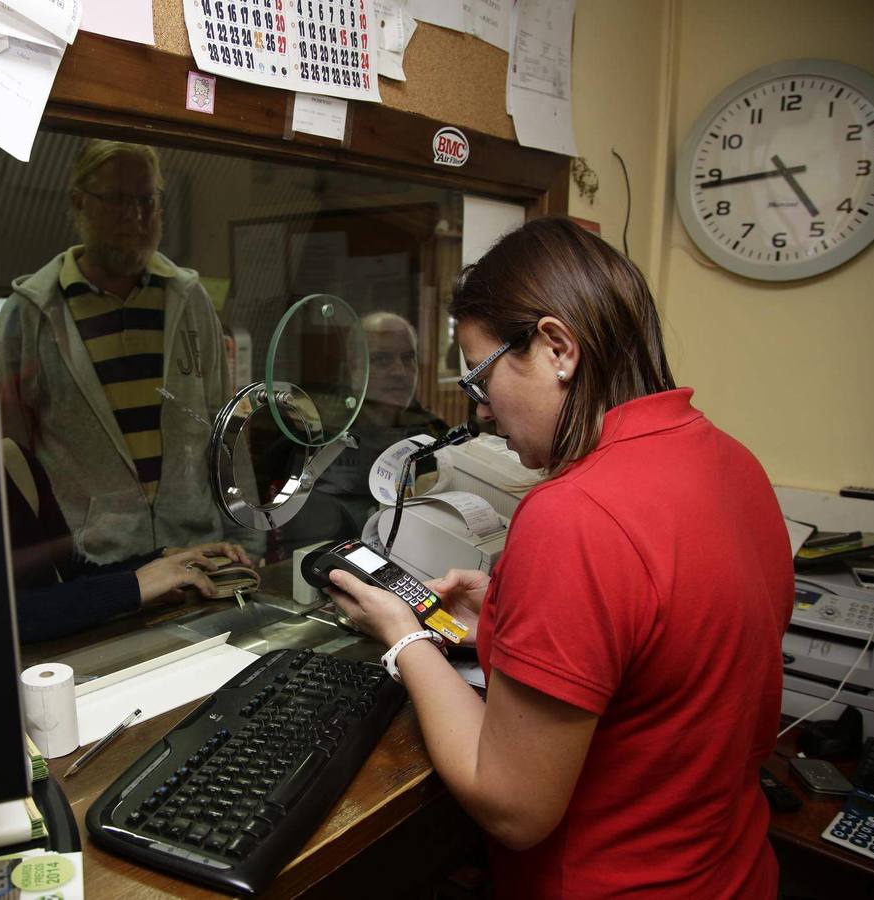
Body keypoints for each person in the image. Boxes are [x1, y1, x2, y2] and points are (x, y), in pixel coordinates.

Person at [326, 217, 793, 898]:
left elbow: (513, 806)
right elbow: (672, 652)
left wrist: (405, 640)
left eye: (481, 380)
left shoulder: (573, 514)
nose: (481, 412)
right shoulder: (731, 462)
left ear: (556, 348)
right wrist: (514, 613)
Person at [0, 140, 233, 564]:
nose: (136, 217)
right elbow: (13, 453)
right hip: (95, 567)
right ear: (78, 203)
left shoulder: (190, 299)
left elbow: (226, 424)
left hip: (196, 550)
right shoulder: (33, 312)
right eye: (118, 200)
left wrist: (245, 534)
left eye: (147, 200)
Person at [0, 439, 251, 643]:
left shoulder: (14, 461)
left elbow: (73, 576)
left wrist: (161, 561)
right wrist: (133, 586)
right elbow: (8, 617)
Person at [273, 311, 449, 557]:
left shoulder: (434, 435)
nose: (400, 372)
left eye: (408, 358)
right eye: (382, 359)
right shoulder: (316, 435)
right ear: (354, 369)